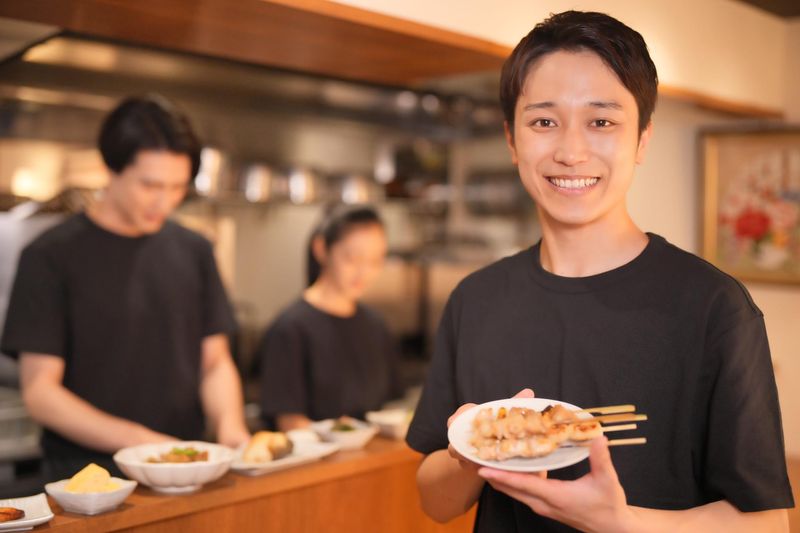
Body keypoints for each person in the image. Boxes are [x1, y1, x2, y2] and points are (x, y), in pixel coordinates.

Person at [406, 11, 793, 533]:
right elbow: (435, 501)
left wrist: (621, 523)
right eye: (543, 121)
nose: (570, 151)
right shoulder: (476, 299)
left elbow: (769, 522)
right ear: (512, 140)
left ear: (642, 140)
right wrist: (473, 454)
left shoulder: (713, 307)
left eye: (602, 121)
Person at [1, 95, 250, 480]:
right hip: (87, 478)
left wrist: (231, 430)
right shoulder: (50, 256)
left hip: (185, 472)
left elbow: (214, 361)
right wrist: (139, 441)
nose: (164, 202)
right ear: (110, 169)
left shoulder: (195, 249)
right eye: (150, 185)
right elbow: (41, 394)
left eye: (177, 187)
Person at [258, 204, 401, 431]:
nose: (364, 272)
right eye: (352, 259)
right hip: (317, 463)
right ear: (322, 249)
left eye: (375, 261)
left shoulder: (376, 326)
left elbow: (389, 407)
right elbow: (290, 422)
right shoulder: (290, 328)